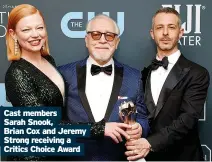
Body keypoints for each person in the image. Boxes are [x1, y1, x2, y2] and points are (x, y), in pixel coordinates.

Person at [5, 4, 122, 161]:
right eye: (26, 30)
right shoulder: (17, 73)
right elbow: (45, 126)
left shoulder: (48, 60)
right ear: (13, 34)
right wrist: (100, 128)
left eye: (39, 28)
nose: (35, 34)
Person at [58, 14, 149, 161]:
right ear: (86, 40)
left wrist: (140, 128)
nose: (102, 40)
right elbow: (55, 125)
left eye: (109, 36)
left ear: (117, 42)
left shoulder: (134, 76)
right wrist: (98, 130)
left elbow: (143, 118)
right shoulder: (63, 74)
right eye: (95, 35)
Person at [125, 7, 210, 161]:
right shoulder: (142, 74)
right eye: (159, 27)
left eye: (171, 27)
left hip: (183, 157)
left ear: (181, 32)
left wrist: (149, 143)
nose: (165, 33)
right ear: (152, 34)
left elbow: (187, 119)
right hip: (147, 158)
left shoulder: (197, 73)